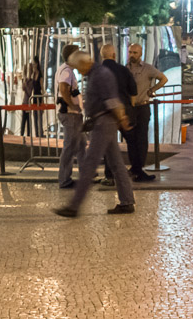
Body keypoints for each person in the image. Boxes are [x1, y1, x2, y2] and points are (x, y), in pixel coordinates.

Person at [53, 51, 134, 218]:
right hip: (105, 121)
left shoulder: (100, 74)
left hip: (104, 122)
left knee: (90, 163)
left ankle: (73, 207)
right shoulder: (96, 73)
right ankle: (127, 201)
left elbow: (111, 99)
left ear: (84, 63)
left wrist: (122, 117)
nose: (78, 71)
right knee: (116, 164)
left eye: (78, 67)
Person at [126, 43, 168, 182]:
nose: (132, 55)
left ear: (141, 54)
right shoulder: (125, 69)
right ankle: (135, 168)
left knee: (141, 139)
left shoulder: (147, 68)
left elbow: (163, 79)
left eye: (135, 52)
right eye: (130, 52)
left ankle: (139, 169)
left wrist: (152, 90)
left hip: (143, 107)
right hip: (130, 108)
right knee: (131, 140)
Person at [99, 43, 137, 187]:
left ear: (102, 56)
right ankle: (136, 171)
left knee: (108, 144)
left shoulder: (97, 72)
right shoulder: (123, 70)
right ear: (114, 55)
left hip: (106, 113)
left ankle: (109, 176)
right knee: (132, 141)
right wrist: (130, 107)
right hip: (124, 112)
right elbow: (133, 90)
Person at [56, 44, 85, 189]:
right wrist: (72, 106)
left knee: (80, 144)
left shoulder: (66, 69)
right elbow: (63, 88)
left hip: (73, 114)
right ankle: (64, 179)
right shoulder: (66, 71)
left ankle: (85, 173)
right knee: (69, 147)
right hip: (70, 114)